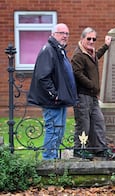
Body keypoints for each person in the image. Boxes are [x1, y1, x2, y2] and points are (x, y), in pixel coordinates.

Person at [27, 23, 78, 160]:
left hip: (60, 100)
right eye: (62, 33)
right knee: (53, 130)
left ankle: (54, 158)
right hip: (52, 101)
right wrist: (54, 94)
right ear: (53, 34)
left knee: (59, 131)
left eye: (67, 34)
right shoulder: (48, 50)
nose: (65, 36)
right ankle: (48, 160)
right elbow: (42, 77)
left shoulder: (59, 50)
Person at [71, 27, 115, 160]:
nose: (91, 41)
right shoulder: (79, 55)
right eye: (89, 38)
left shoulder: (90, 53)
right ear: (82, 39)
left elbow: (97, 56)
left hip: (92, 97)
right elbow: (77, 73)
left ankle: (100, 149)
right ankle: (79, 149)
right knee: (83, 124)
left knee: (98, 122)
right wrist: (92, 85)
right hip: (82, 96)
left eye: (93, 39)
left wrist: (106, 46)